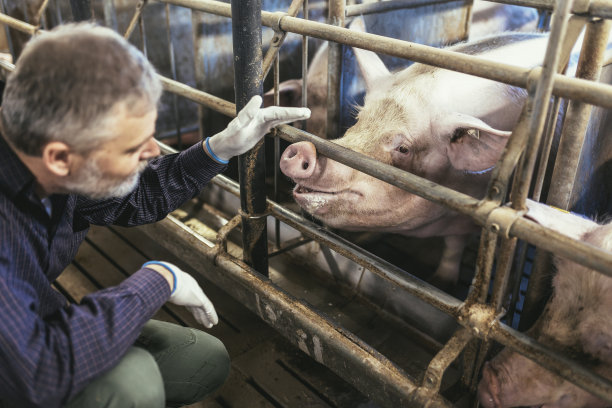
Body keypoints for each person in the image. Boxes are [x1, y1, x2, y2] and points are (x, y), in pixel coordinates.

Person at [0, 23, 310, 408]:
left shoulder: (48, 156)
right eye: (132, 148)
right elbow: (39, 374)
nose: (151, 151)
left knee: (199, 358)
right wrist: (157, 279)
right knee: (132, 383)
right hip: (27, 371)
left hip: (32, 321)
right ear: (61, 158)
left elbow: (138, 193)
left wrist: (220, 148)